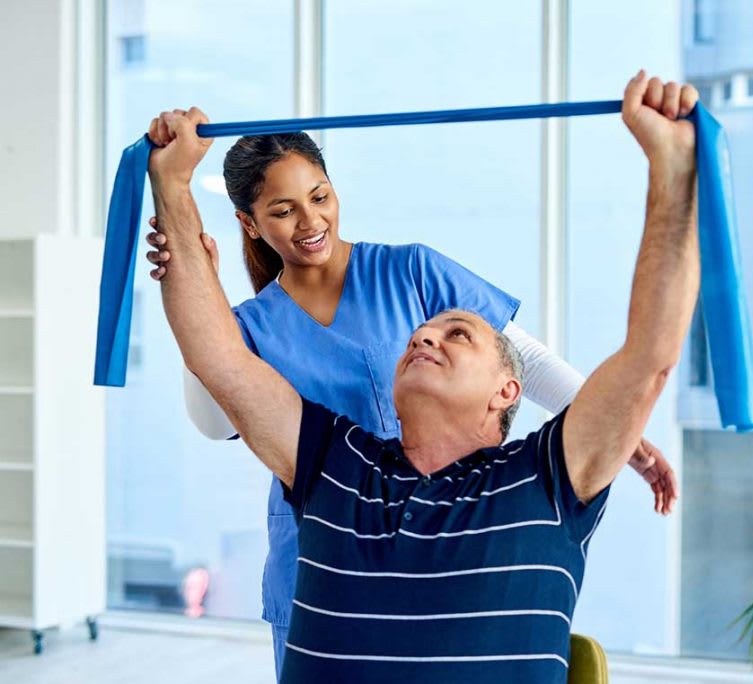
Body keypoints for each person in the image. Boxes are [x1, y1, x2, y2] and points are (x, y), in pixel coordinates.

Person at [148, 70, 699, 683]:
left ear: (503, 392)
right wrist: (177, 205)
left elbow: (600, 360)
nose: (424, 335)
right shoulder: (326, 456)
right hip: (332, 540)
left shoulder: (530, 472)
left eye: (320, 196)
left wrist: (620, 435)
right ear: (250, 223)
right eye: (283, 210)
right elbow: (218, 373)